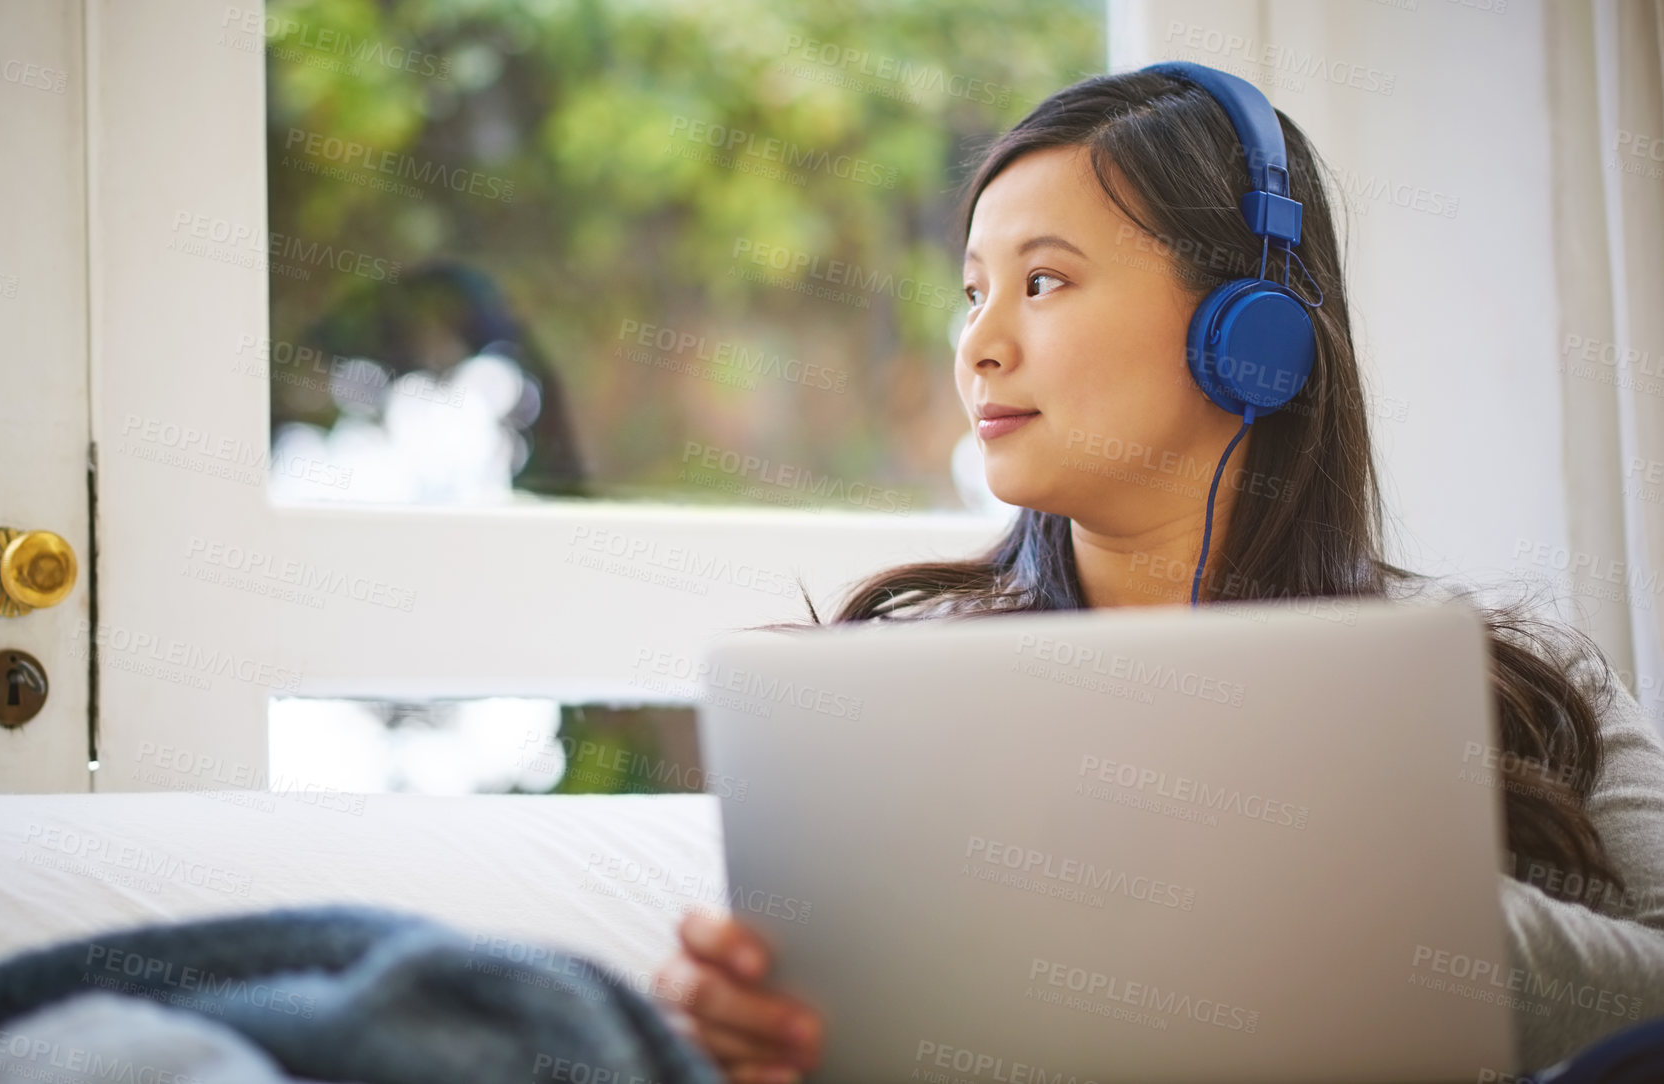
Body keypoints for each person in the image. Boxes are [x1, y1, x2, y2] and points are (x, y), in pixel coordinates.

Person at [649, 63, 1664, 1082]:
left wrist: (1419, 920)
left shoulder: (1523, 683)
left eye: (1041, 281)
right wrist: (739, 1027)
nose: (978, 347)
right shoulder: (879, 688)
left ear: (1247, 334)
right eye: (971, 292)